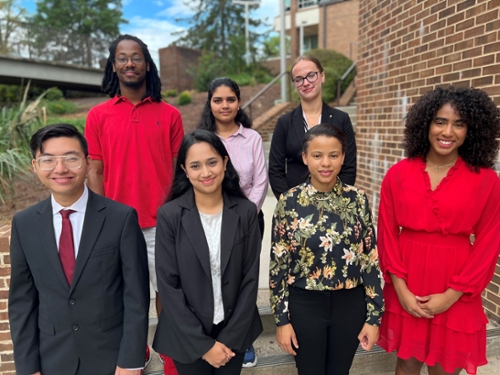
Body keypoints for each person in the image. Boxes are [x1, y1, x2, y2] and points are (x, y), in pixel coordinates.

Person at [8, 124, 150, 375]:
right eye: (48, 160)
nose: (60, 169)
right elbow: (22, 302)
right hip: (51, 360)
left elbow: (136, 296)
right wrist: (28, 368)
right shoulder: (24, 224)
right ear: (34, 166)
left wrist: (130, 362)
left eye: (71, 158)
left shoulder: (120, 218)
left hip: (110, 359)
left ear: (87, 162)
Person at [377, 86, 500, 375]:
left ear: (472, 129)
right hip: (407, 278)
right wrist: (401, 288)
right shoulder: (398, 174)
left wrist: (452, 294)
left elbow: (489, 242)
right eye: (441, 122)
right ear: (426, 124)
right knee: (406, 363)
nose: (448, 132)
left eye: (459, 124)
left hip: (457, 284)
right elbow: (386, 233)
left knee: (446, 367)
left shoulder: (486, 181)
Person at [85, 34, 184, 372]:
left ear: (147, 64)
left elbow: (177, 170)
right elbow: (94, 169)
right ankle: (136, 350)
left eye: (137, 57)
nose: (130, 63)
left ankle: (170, 353)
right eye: (123, 58)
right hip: (117, 223)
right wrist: (99, 216)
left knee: (167, 294)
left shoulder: (169, 114)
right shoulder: (98, 115)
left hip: (162, 222)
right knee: (126, 295)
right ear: (113, 65)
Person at [269, 124, 384, 375]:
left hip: (349, 305)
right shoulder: (288, 202)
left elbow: (370, 260)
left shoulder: (358, 199)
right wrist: (281, 320)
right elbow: (278, 265)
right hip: (304, 304)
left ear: (343, 157)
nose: (326, 163)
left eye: (333, 155)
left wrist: (373, 317)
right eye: (317, 155)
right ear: (305, 158)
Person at [152, 130, 263, 375]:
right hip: (186, 336)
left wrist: (229, 339)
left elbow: (250, 279)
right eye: (195, 165)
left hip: (233, 334)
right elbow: (168, 285)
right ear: (184, 169)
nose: (205, 172)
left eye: (212, 162)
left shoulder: (245, 212)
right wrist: (204, 346)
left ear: (225, 162)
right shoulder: (170, 216)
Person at [198, 77, 268, 367]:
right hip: (209, 221)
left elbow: (261, 182)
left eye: (230, 99)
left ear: (239, 102)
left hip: (249, 221)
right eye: (218, 100)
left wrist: (243, 217)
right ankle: (210, 337)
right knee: (214, 278)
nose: (224, 105)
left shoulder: (252, 138)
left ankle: (243, 340)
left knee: (244, 280)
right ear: (210, 103)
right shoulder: (202, 138)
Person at [268, 55, 357, 199]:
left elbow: (349, 168)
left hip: (334, 205)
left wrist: (334, 202)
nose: (305, 82)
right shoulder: (284, 122)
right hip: (294, 208)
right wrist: (289, 203)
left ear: (322, 76)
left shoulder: (341, 119)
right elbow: (275, 170)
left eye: (311, 75)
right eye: (299, 79)